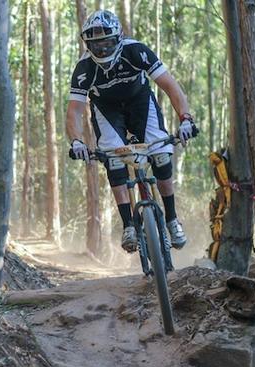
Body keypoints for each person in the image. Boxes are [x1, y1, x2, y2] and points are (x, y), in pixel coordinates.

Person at [66, 10, 198, 253]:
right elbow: (74, 111)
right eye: (96, 45)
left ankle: (171, 218)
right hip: (107, 111)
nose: (102, 50)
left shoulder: (135, 50)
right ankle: (128, 225)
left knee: (161, 154)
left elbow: (171, 86)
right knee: (114, 161)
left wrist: (186, 118)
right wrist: (76, 141)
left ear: (118, 38)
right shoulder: (84, 67)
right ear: (87, 45)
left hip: (140, 103)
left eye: (106, 43)